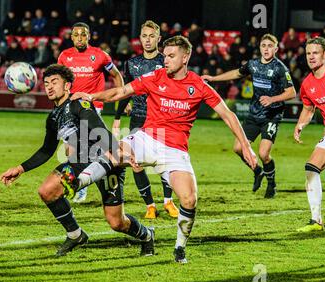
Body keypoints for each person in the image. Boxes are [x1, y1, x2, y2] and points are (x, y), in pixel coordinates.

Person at [65, 36, 257, 263]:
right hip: (147, 139)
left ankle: (179, 248)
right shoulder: (154, 77)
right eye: (164, 55)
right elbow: (121, 92)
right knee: (115, 152)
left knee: (189, 199)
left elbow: (228, 114)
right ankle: (77, 183)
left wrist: (246, 146)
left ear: (185, 57)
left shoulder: (198, 85)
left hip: (174, 151)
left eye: (171, 56)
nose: (165, 60)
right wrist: (90, 96)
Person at [0, 64, 154, 257]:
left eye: (54, 82)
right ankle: (76, 234)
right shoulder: (53, 117)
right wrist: (20, 169)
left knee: (116, 222)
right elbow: (47, 150)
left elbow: (99, 130)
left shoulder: (78, 104)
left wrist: (116, 153)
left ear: (67, 86)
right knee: (47, 191)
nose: (49, 86)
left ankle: (147, 235)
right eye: (46, 83)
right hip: (77, 163)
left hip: (104, 161)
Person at [202, 34, 297, 198]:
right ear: (260, 48)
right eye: (263, 45)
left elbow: (292, 92)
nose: (266, 49)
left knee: (263, 154)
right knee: (238, 148)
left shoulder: (280, 68)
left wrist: (272, 99)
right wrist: (213, 78)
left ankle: (271, 184)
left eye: (269, 46)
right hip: (254, 114)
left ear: (276, 49)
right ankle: (257, 171)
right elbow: (237, 73)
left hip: (271, 116)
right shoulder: (253, 64)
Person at [112, 20, 179, 219]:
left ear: (159, 39)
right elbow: (126, 93)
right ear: (139, 39)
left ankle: (168, 201)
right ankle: (150, 205)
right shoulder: (132, 63)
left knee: (164, 162)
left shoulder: (166, 61)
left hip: (161, 119)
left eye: (151, 36)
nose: (148, 40)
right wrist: (117, 119)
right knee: (135, 162)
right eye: (144, 36)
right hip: (138, 119)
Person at [57, 22, 125, 203]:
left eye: (83, 34)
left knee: (81, 148)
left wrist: (122, 95)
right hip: (70, 108)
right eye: (76, 34)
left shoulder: (100, 55)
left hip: (92, 108)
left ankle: (83, 187)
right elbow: (59, 81)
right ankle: (95, 177)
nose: (80, 37)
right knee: (71, 150)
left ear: (89, 36)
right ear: (71, 37)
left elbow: (117, 75)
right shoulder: (64, 56)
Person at [294, 37, 325, 232]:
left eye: (315, 53)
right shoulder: (307, 84)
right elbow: (309, 109)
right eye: (308, 53)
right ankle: (316, 221)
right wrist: (300, 124)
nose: (311, 57)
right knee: (311, 168)